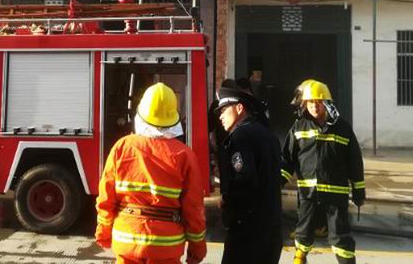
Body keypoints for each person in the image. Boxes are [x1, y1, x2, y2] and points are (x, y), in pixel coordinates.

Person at [96, 82, 207, 264]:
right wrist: (197, 249)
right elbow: (194, 208)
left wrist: (103, 232)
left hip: (127, 239)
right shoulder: (185, 155)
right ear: (174, 119)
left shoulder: (122, 147)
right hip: (166, 245)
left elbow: (106, 197)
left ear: (140, 115)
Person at [281, 80, 365, 264]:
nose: (314, 106)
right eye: (310, 102)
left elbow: (354, 162)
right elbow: (287, 159)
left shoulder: (342, 128)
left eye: (318, 102)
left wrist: (359, 190)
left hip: (336, 196)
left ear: (327, 103)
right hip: (308, 195)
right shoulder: (299, 127)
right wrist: (277, 182)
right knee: (303, 235)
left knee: (340, 238)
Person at [216, 87, 283, 264]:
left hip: (247, 231)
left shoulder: (240, 136)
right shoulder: (270, 136)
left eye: (224, 110)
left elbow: (245, 179)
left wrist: (226, 199)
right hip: (272, 229)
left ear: (239, 108)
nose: (220, 116)